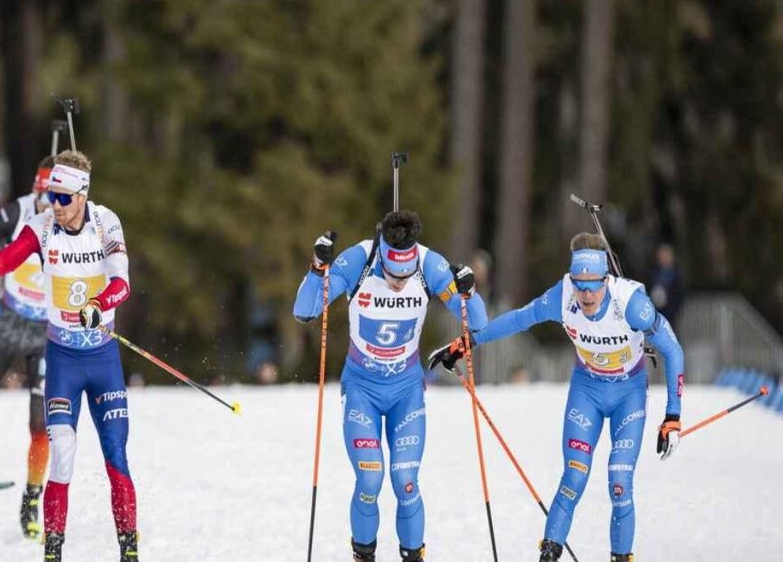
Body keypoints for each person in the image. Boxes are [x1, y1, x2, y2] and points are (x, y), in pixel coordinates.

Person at [429, 232, 685, 562]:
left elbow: (672, 350)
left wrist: (673, 416)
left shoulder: (633, 304)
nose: (587, 293)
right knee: (574, 477)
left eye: (594, 284)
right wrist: (466, 343)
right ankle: (549, 554)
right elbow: (520, 319)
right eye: (580, 284)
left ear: (606, 280)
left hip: (628, 394)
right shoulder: (562, 296)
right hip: (587, 392)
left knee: (619, 482)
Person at [0, 150, 137, 562]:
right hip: (63, 360)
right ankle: (52, 552)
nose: (53, 205)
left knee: (116, 457)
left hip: (102, 358)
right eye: (50, 196)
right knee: (64, 455)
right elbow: (5, 260)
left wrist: (99, 304)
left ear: (82, 196)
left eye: (62, 198)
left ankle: (130, 550)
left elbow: (121, 281)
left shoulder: (106, 222)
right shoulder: (40, 226)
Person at [293, 211, 485, 562]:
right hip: (362, 388)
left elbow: (480, 324)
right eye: (392, 275)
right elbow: (305, 310)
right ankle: (363, 556)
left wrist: (469, 292)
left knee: (406, 482)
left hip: (406, 391)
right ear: (382, 255)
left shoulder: (429, 264)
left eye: (405, 276)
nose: (399, 283)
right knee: (370, 480)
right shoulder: (360, 260)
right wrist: (316, 269)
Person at [0, 155, 54, 539]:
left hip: (48, 331)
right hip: (7, 322)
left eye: (55, 198)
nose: (47, 207)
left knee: (42, 425)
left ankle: (32, 498)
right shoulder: (16, 212)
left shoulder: (76, 224)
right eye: (41, 195)